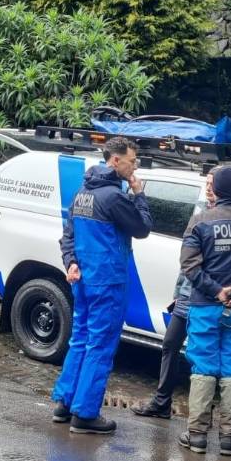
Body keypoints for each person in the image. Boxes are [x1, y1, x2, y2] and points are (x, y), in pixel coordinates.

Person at [50, 137, 153, 434]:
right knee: (101, 345)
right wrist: (139, 194)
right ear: (116, 161)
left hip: (82, 279)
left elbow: (67, 235)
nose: (135, 167)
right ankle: (85, 414)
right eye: (132, 161)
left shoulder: (81, 193)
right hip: (107, 281)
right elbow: (143, 228)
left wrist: (70, 262)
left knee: (80, 339)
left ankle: (65, 403)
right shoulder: (114, 197)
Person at [178, 166, 231, 455]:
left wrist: (217, 290)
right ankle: (229, 439)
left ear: (215, 189)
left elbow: (189, 266)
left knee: (203, 367)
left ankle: (197, 435)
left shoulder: (201, 222)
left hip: (206, 305)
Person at [133, 183, 216, 419]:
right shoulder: (198, 213)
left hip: (207, 299)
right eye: (207, 182)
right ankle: (162, 403)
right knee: (170, 344)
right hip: (187, 296)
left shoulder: (226, 218)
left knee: (203, 355)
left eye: (213, 183)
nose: (209, 187)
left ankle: (202, 413)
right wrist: (178, 293)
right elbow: (186, 263)